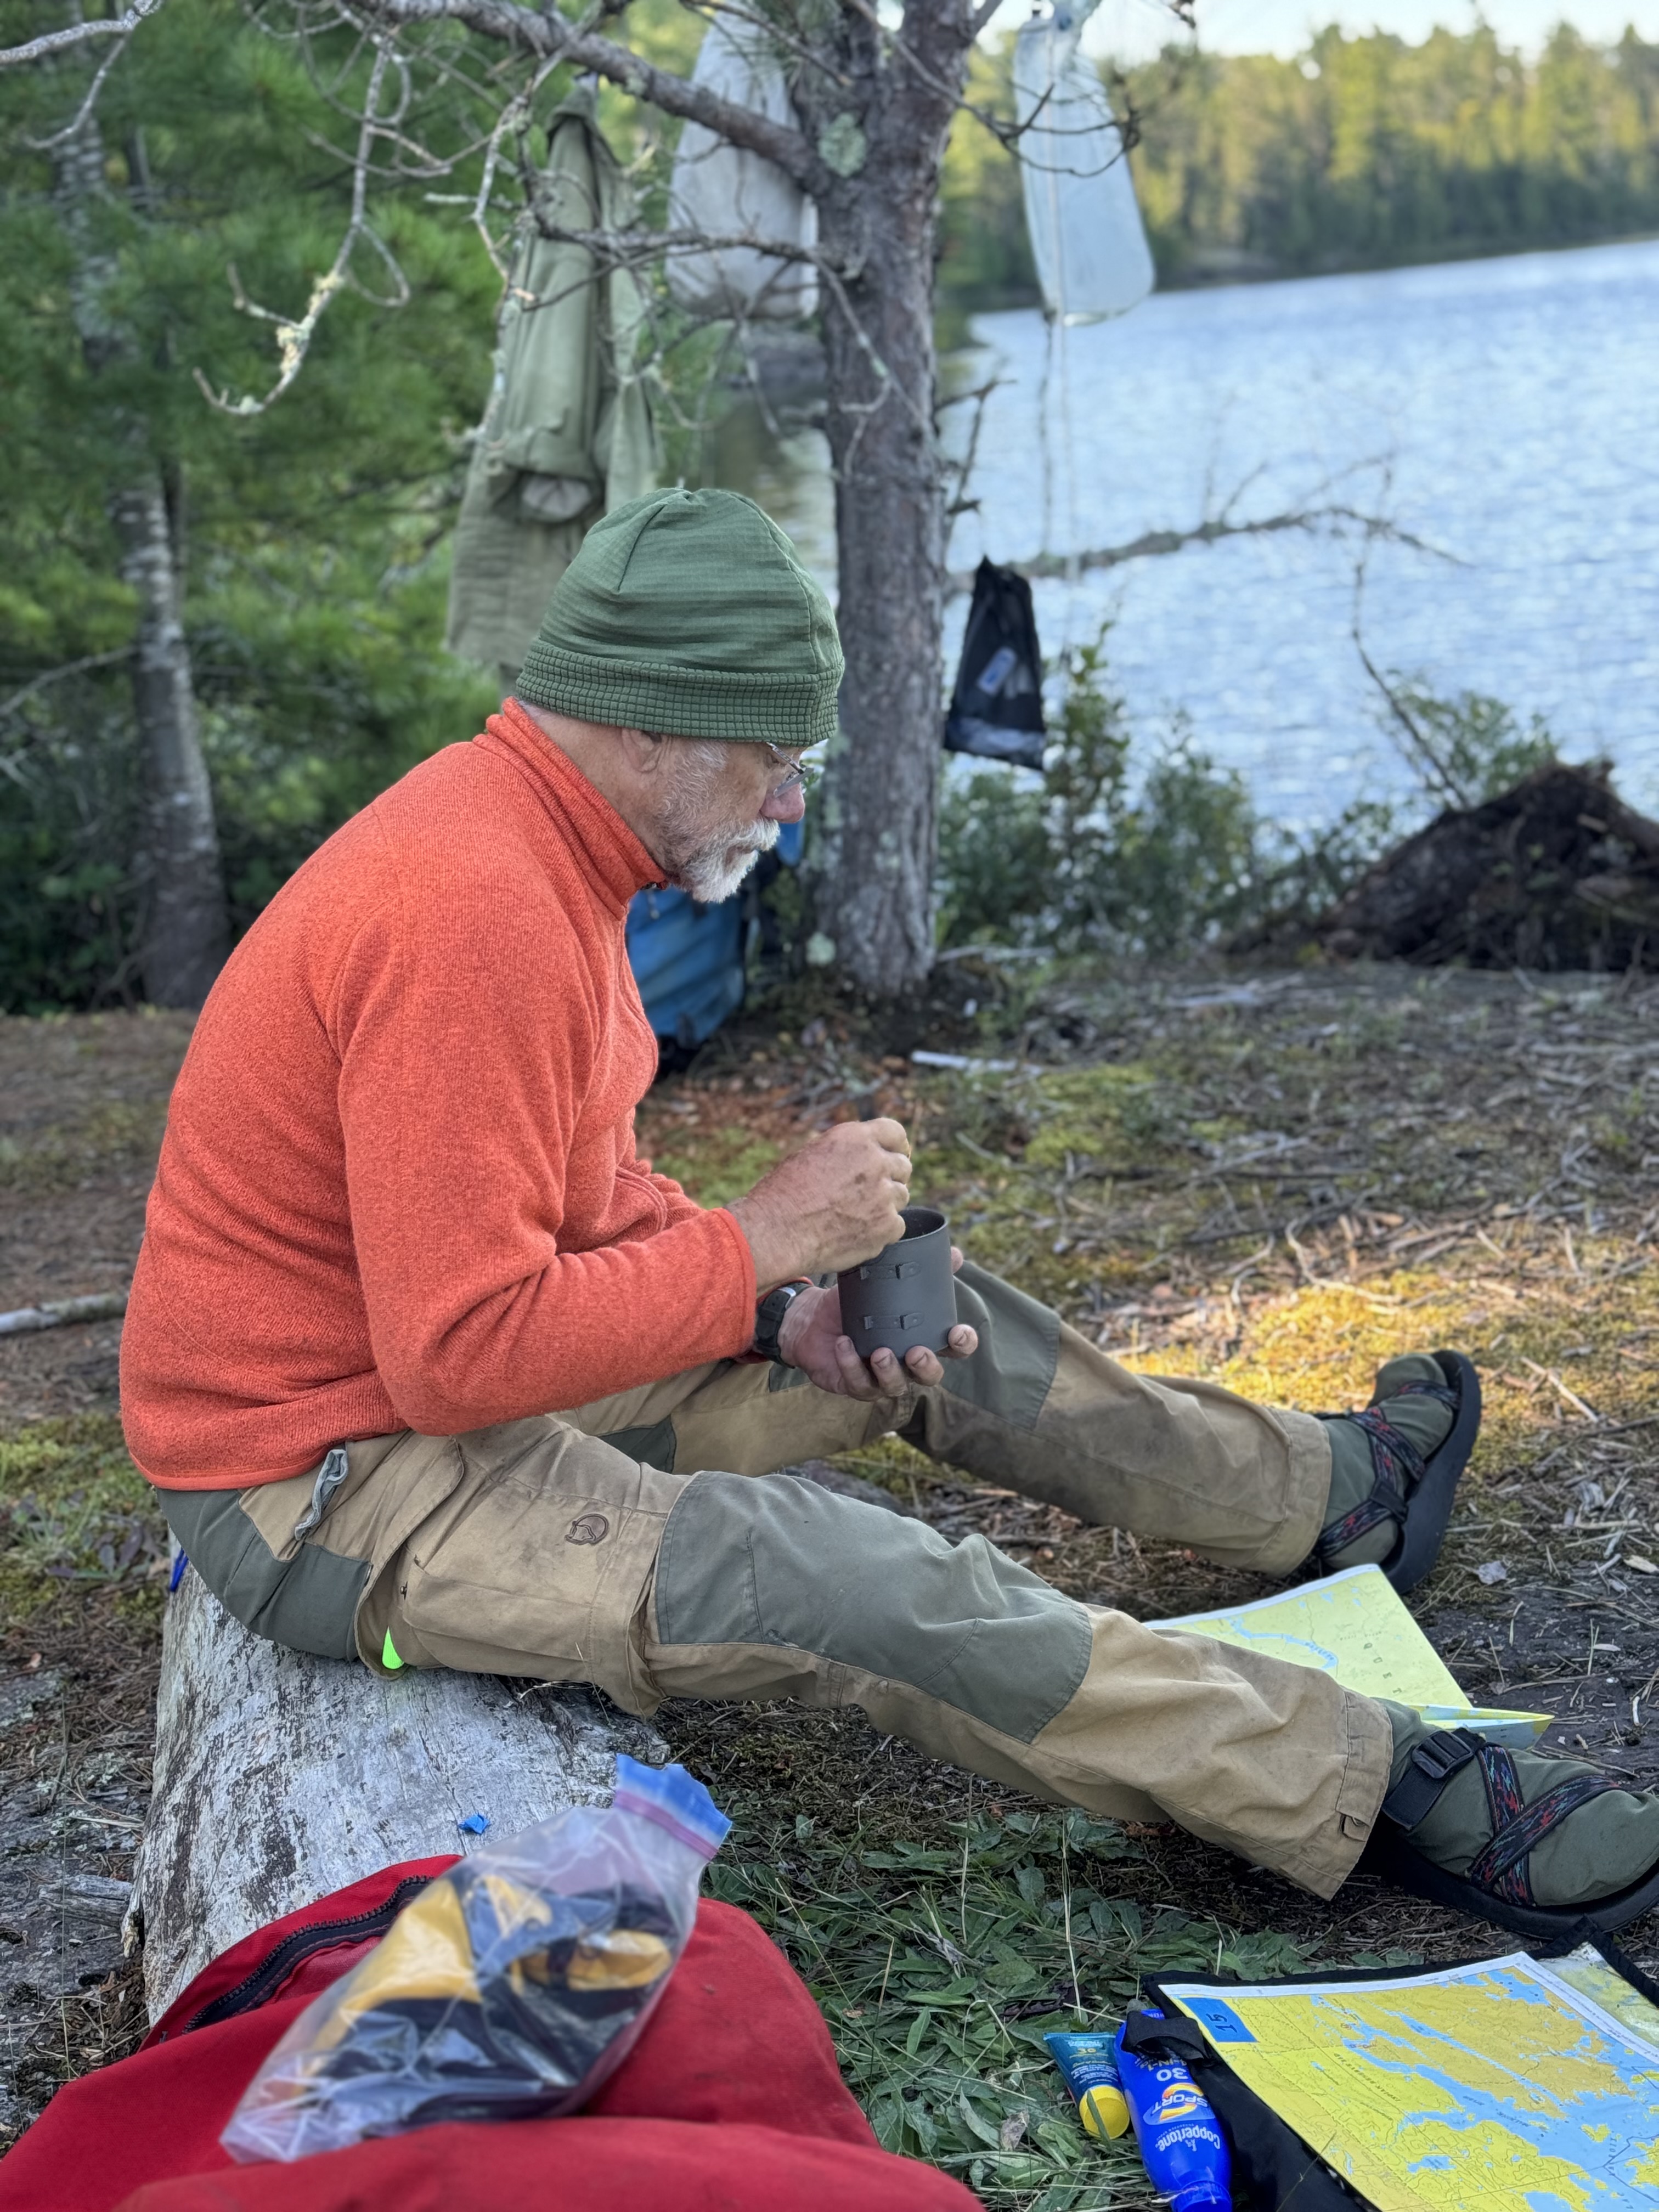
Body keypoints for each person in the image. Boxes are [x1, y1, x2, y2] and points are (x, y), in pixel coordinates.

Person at [121, 488, 1659, 1937]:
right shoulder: (473, 912)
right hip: (326, 1486)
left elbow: (570, 1204)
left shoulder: (540, 849)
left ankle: (1324, 1494)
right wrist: (761, 1239)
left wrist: (779, 1311)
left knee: (905, 1317)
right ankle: (1362, 1782)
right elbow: (458, 1353)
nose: (792, 802)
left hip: (423, 1393)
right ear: (652, 717)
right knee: (842, 1576)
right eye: (775, 753)